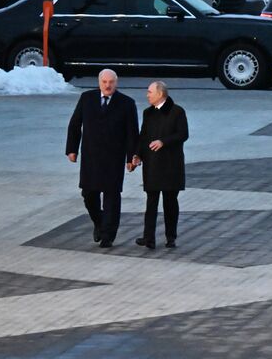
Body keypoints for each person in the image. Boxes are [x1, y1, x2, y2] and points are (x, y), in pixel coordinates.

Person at [65, 69, 139, 248]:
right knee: (89, 194)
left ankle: (108, 235)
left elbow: (132, 133)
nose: (108, 85)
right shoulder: (87, 98)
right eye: (104, 82)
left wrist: (132, 156)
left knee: (112, 196)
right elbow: (75, 124)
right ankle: (99, 221)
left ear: (116, 82)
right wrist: (72, 149)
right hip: (91, 156)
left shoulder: (127, 103)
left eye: (111, 82)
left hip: (114, 157)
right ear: (99, 83)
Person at [134, 81, 187, 249]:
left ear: (160, 94)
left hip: (171, 165)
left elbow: (183, 134)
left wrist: (163, 141)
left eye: (150, 92)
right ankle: (148, 237)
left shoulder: (177, 112)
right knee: (151, 202)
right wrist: (137, 155)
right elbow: (143, 136)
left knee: (170, 201)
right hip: (152, 164)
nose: (147, 95)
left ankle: (170, 237)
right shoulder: (148, 113)